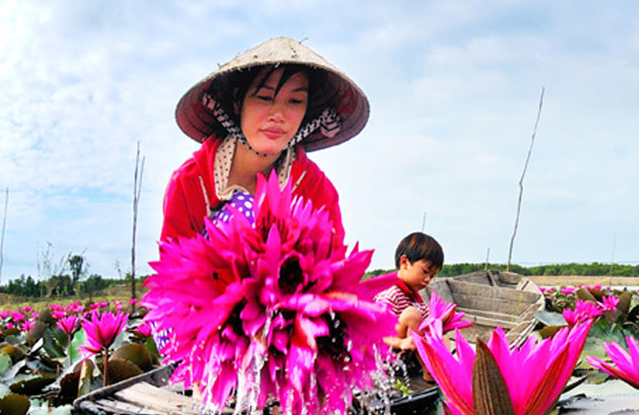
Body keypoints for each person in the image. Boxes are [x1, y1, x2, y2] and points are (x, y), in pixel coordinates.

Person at [161, 37, 369, 242]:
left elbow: (331, 266)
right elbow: (173, 266)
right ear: (237, 102)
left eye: (295, 101)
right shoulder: (189, 182)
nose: (278, 114)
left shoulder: (317, 191)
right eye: (264, 97)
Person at [376, 232, 444, 351]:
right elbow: (375, 333)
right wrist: (400, 342)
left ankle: (437, 368)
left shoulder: (418, 300)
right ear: (405, 263)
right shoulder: (391, 294)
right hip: (392, 352)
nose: (428, 280)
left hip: (412, 349)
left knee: (444, 339)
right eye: (425, 271)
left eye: (432, 276)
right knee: (412, 315)